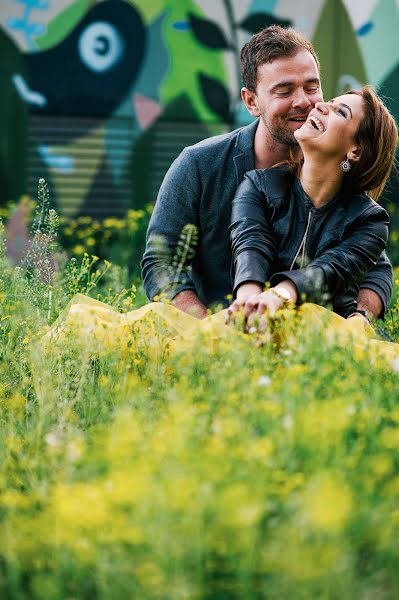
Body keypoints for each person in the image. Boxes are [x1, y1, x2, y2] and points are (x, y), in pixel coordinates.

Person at [141, 26, 393, 322]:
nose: (304, 102)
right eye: (284, 91)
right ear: (251, 102)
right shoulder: (198, 164)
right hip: (219, 324)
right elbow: (161, 262)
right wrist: (209, 330)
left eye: (312, 87)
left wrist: (359, 318)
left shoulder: (336, 173)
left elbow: (373, 265)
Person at [227, 86, 397, 327]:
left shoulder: (370, 221)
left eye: (341, 112)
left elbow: (327, 272)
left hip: (326, 334)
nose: (320, 105)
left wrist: (278, 296)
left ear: (355, 151)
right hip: (262, 318)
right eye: (330, 101)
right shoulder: (257, 185)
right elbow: (251, 246)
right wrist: (247, 302)